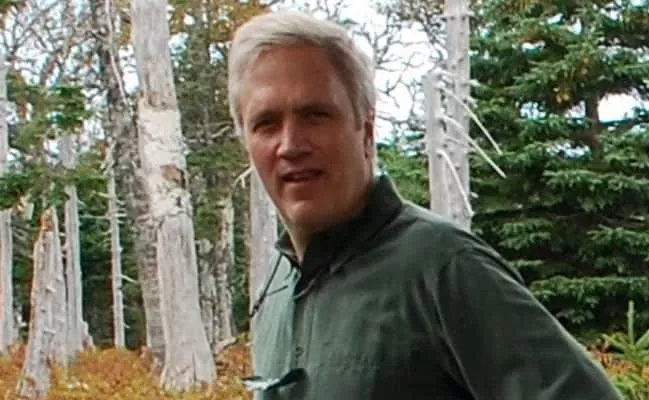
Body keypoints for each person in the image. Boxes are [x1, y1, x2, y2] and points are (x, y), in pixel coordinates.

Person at [227, 10, 623, 400]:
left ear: (366, 130)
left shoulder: (444, 268)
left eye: (315, 115)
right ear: (246, 142)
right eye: (266, 123)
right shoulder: (279, 285)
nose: (291, 145)